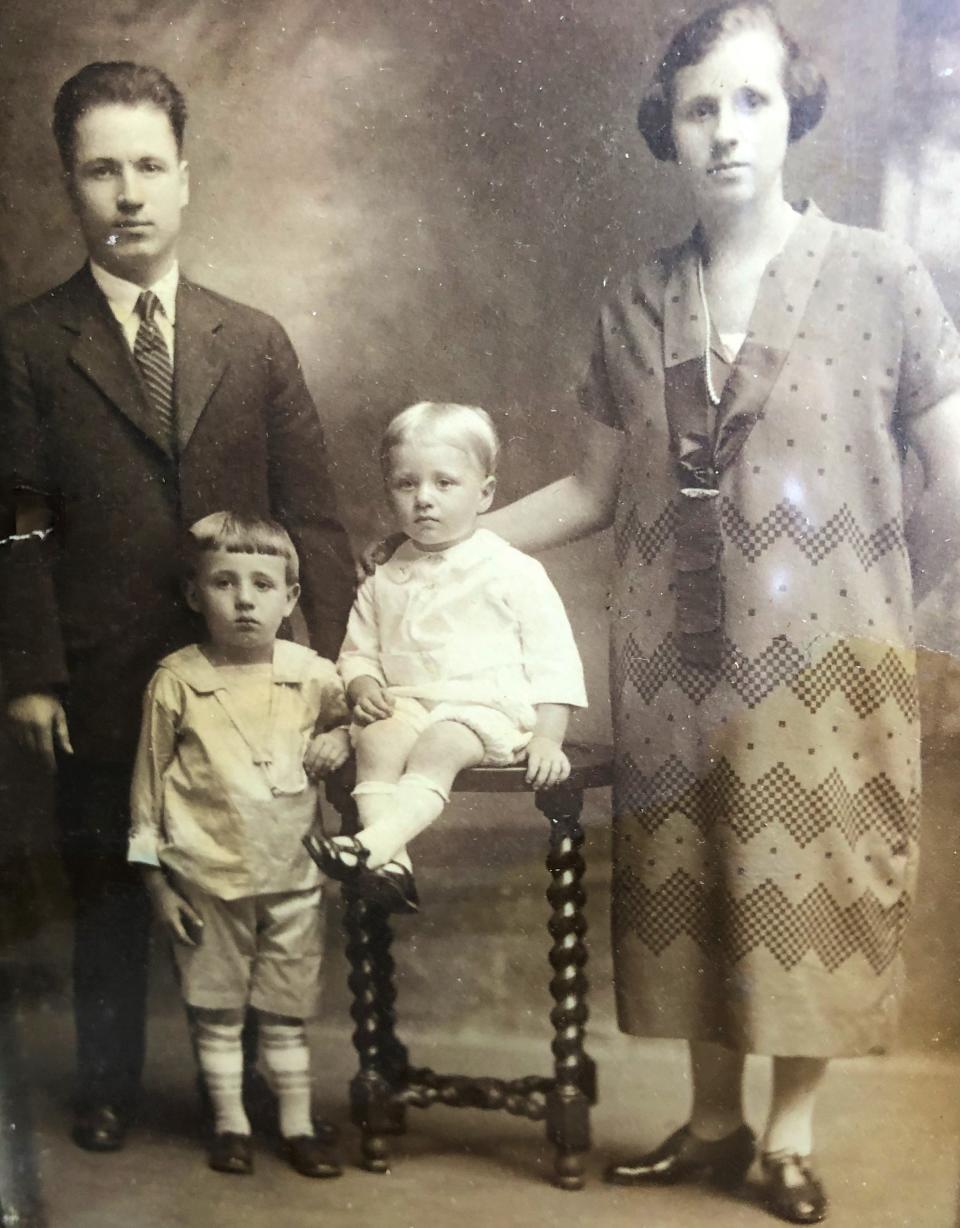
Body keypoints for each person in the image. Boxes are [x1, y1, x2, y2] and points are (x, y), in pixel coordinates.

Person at [461, 3, 960, 1222]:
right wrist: (447, 539)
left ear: (792, 113)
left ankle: (788, 1136)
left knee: (815, 886)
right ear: (668, 132)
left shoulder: (881, 278)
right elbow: (588, 488)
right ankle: (713, 1120)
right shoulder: (633, 302)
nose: (726, 132)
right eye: (699, 110)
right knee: (687, 877)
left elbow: (952, 476)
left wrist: (896, 606)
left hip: (834, 656)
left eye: (750, 103)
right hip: (673, 658)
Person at [0, 62, 354, 1152]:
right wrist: (28, 673)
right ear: (70, 186)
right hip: (100, 670)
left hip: (252, 679)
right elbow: (11, 525)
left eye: (149, 166)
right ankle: (109, 1081)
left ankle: (249, 1092)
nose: (129, 194)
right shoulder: (25, 342)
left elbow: (320, 523)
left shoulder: (249, 339)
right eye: (102, 170)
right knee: (110, 881)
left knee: (253, 878)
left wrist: (333, 684)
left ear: (187, 179)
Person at [128, 512, 349, 1177]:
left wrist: (340, 739)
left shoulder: (314, 675)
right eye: (224, 582)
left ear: (291, 597)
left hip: (293, 878)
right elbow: (147, 791)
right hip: (207, 878)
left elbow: (364, 724)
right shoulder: (176, 680)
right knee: (218, 1008)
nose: (245, 599)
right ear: (196, 595)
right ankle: (229, 1123)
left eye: (262, 583)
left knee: (285, 1012)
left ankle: (297, 1125)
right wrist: (157, 885)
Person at [308, 402, 587, 913]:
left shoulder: (511, 569)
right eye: (406, 484)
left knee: (440, 744)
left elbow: (554, 660)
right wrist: (363, 686)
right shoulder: (386, 574)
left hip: (483, 710)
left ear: (485, 494)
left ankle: (371, 845)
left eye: (445, 483)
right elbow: (359, 651)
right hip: (407, 702)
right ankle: (393, 865)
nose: (424, 500)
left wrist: (548, 736)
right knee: (376, 737)